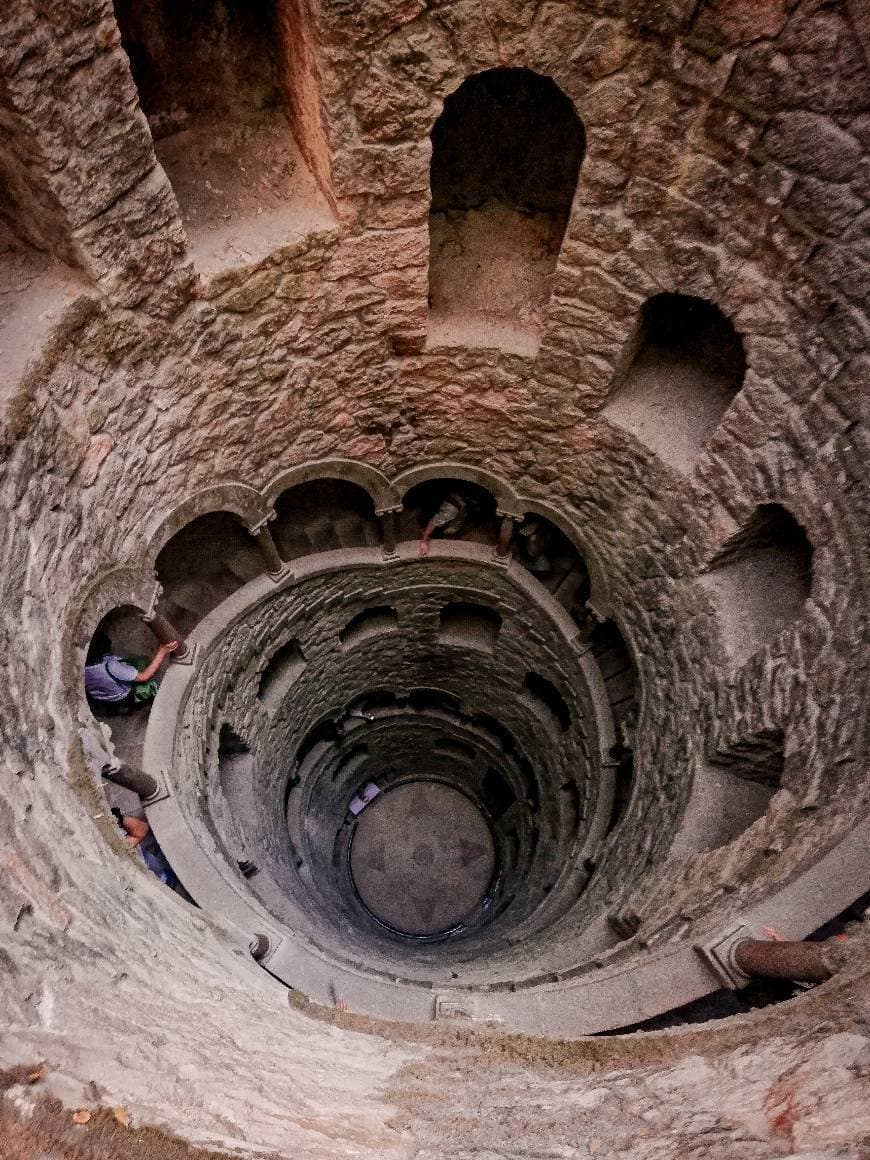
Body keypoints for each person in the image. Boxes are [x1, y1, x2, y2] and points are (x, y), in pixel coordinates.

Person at [84, 641, 178, 712]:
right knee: (153, 686)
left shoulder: (83, 669)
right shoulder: (112, 667)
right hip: (124, 697)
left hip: (101, 696)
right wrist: (162, 652)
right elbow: (144, 676)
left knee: (139, 662)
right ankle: (141, 702)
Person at [419, 492, 467, 556]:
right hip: (450, 507)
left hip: (455, 509)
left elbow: (434, 522)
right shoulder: (451, 510)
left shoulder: (453, 509)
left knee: (451, 529)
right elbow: (433, 522)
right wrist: (424, 540)